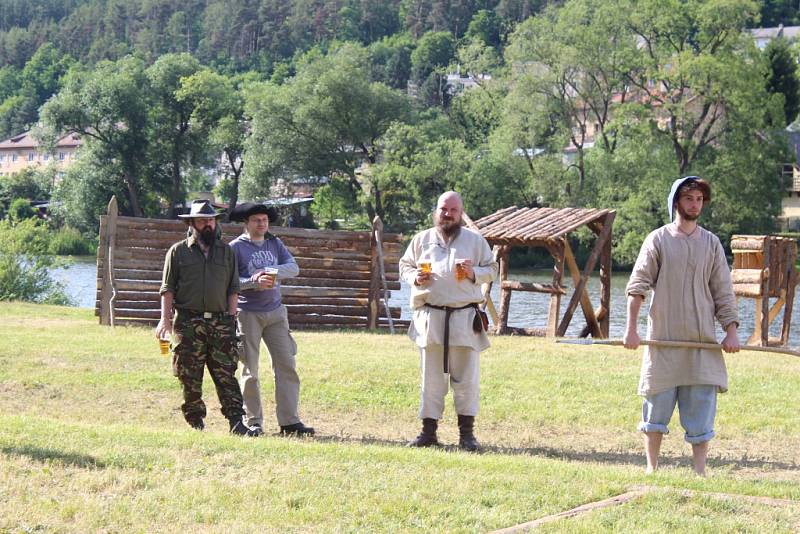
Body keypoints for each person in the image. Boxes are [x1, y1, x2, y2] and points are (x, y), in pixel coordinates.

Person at [623, 176, 740, 475]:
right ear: (676, 202)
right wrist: (631, 329)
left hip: (701, 343)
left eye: (699, 199)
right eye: (689, 198)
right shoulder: (658, 239)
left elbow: (723, 291)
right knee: (655, 408)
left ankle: (699, 470)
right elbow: (637, 286)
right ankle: (652, 467)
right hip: (663, 341)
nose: (695, 204)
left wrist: (731, 331)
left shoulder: (711, 243)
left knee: (701, 410)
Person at [398, 191, 498, 451]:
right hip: (430, 317)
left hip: (464, 318)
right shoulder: (422, 240)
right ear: (437, 211)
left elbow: (493, 270)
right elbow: (404, 266)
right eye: (444, 209)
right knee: (430, 379)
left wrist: (474, 272)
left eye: (453, 209)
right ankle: (428, 433)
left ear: (460, 212)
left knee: (466, 379)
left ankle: (467, 435)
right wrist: (414, 278)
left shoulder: (475, 242)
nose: (448, 214)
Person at [155, 199, 259, 437]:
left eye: (210, 220)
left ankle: (236, 422)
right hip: (188, 323)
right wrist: (165, 320)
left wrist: (232, 321)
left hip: (221, 323)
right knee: (188, 375)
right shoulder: (178, 251)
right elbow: (167, 288)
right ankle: (195, 422)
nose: (208, 225)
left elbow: (234, 289)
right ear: (192, 223)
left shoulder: (226, 252)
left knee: (226, 374)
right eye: (202, 221)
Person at [229, 202, 314, 437]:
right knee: (250, 370)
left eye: (265, 220)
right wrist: (252, 283)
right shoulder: (235, 248)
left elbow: (293, 268)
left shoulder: (275, 243)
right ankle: (253, 422)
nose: (262, 223)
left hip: (276, 313)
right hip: (248, 314)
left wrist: (271, 271)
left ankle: (289, 421)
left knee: (287, 365)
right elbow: (229, 282)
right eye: (257, 220)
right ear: (246, 222)